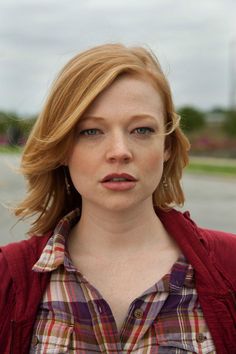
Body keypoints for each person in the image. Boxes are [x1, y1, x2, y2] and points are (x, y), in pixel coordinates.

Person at [0, 44, 235, 354]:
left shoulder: (230, 265)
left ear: (166, 145)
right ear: (62, 148)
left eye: (141, 129)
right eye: (91, 131)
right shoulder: (7, 278)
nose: (120, 151)